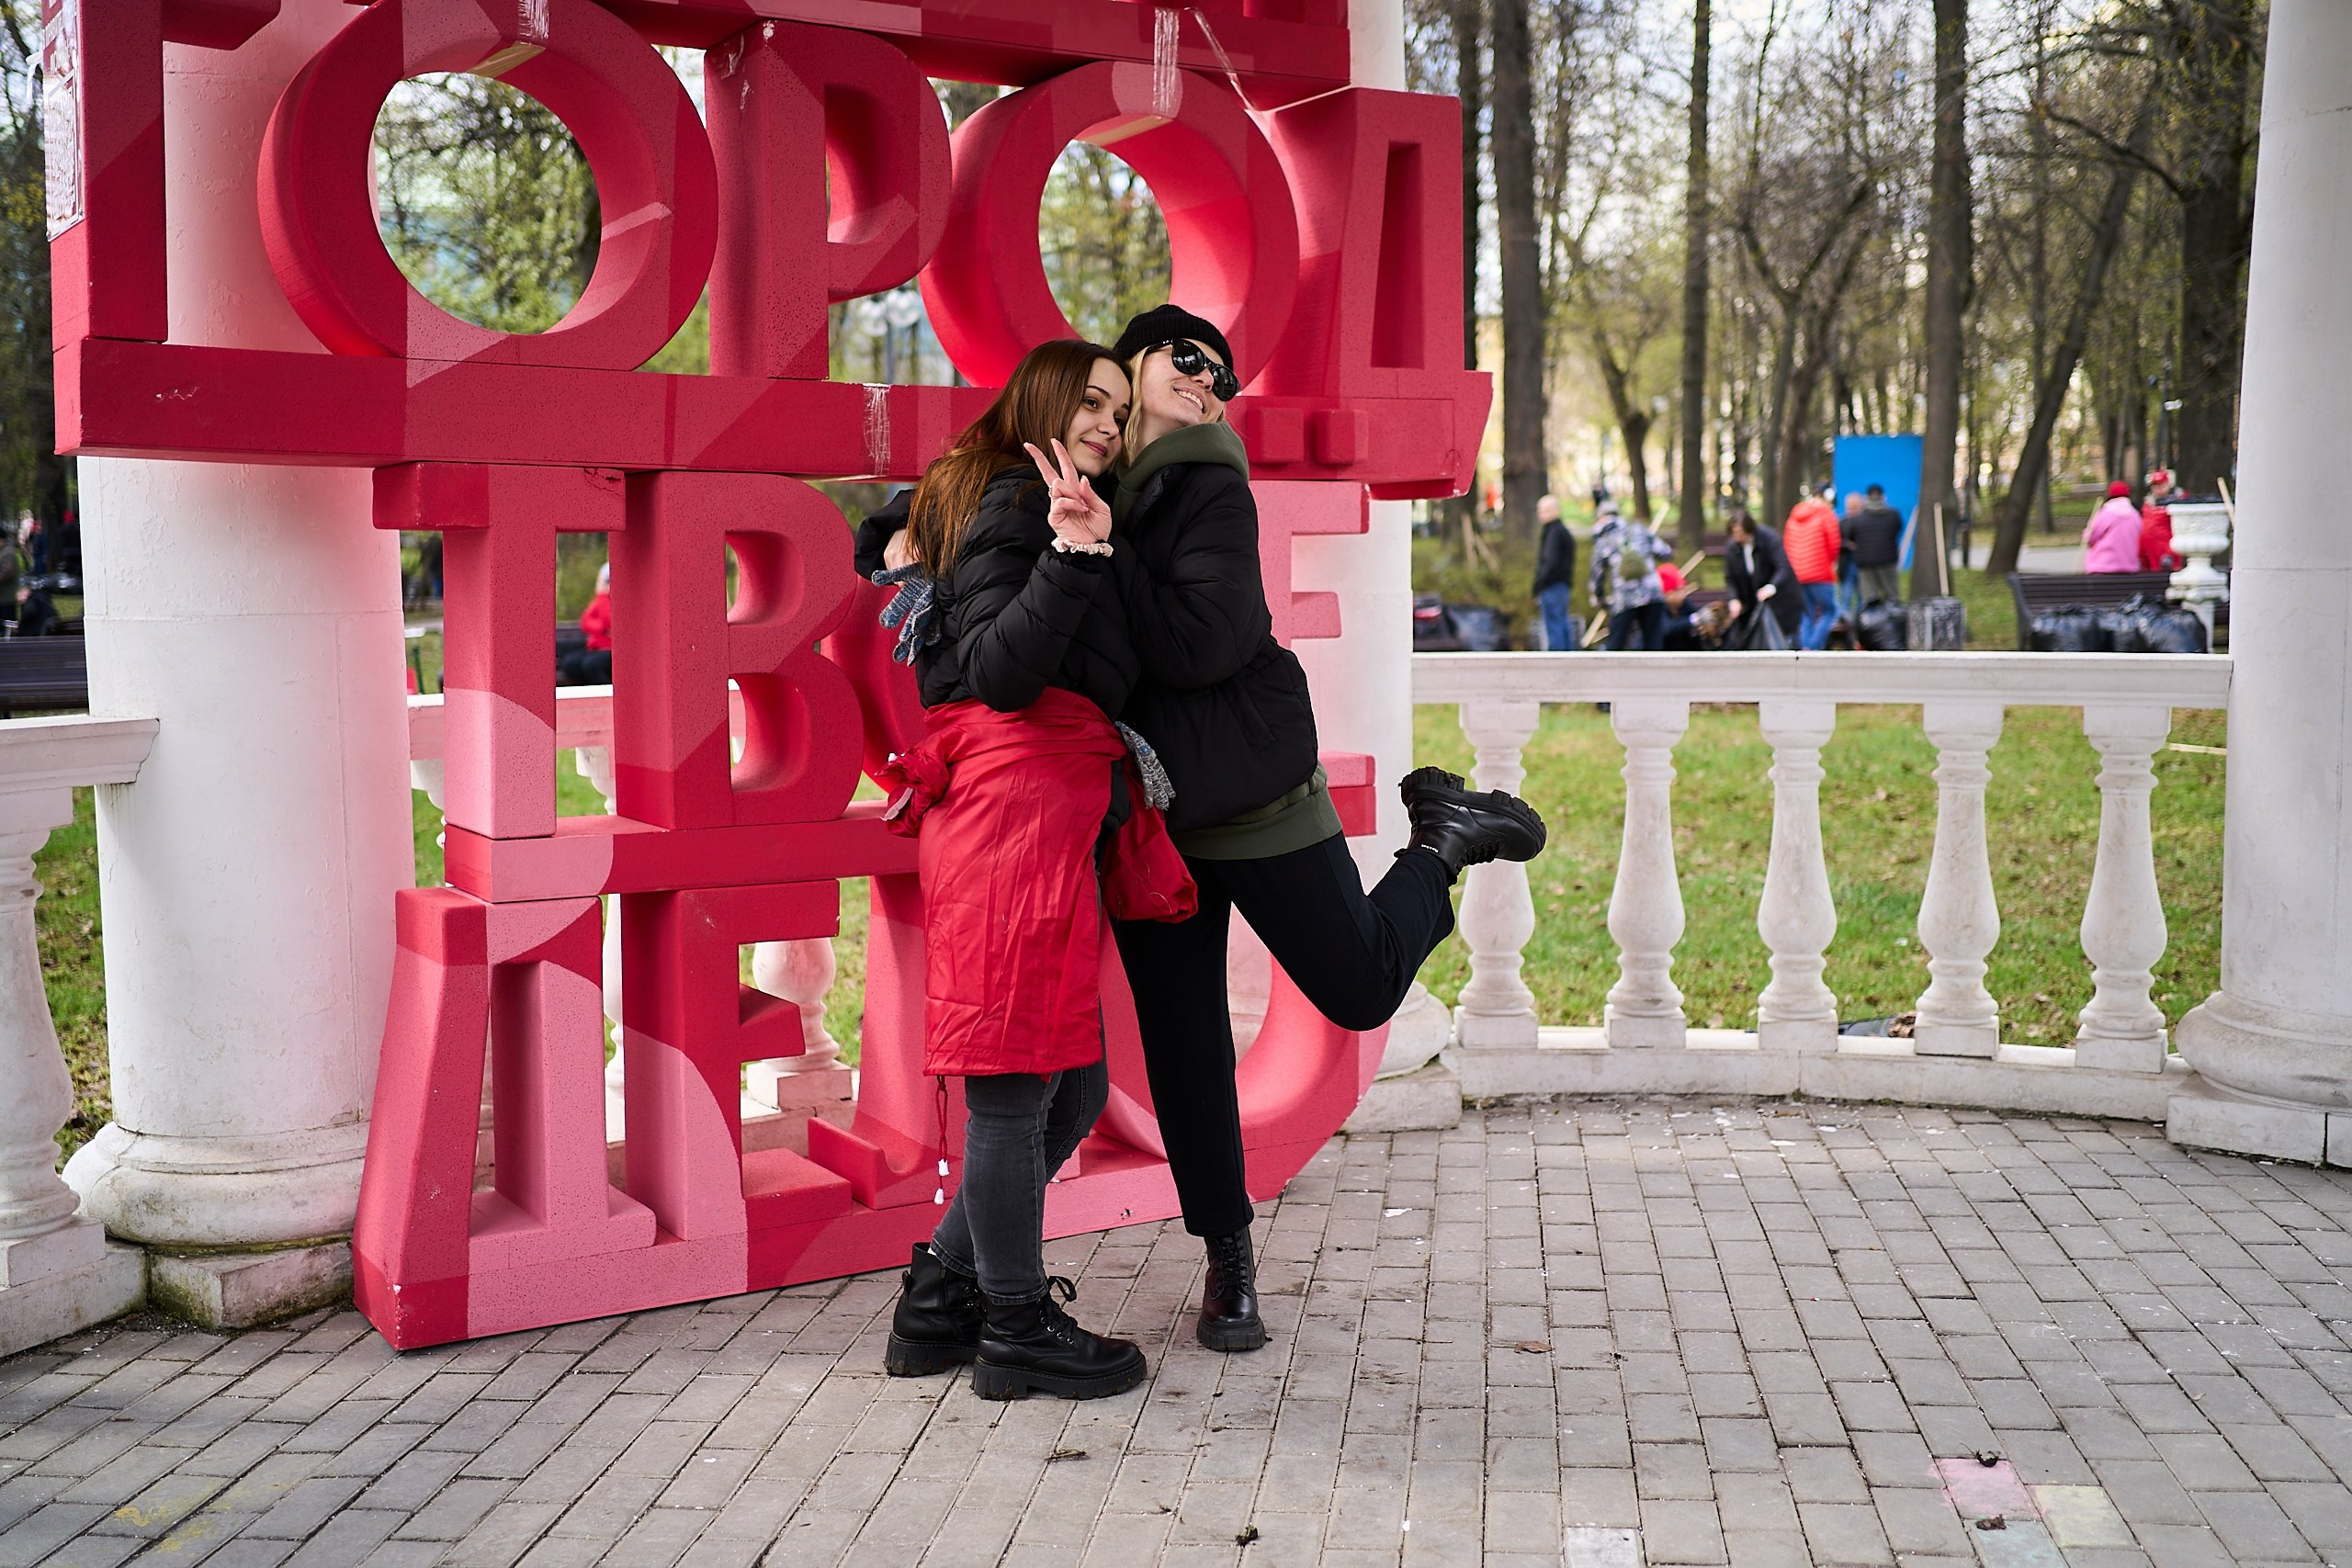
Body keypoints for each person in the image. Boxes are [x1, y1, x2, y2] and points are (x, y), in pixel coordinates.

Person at [1100, 304, 1548, 1352]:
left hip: (1252, 788)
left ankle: (1439, 839)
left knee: (1354, 985)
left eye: (1218, 374)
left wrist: (1094, 549)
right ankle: (1227, 1258)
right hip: (1154, 815)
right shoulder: (1083, 483)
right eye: (1183, 358)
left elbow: (1203, 643)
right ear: (1128, 363)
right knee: (1183, 1049)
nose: (1205, 381)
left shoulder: (1207, 479)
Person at [856, 339, 1195, 1402]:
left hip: (1029, 814)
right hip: (1013, 810)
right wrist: (1071, 556)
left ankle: (940, 1299)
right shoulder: (1018, 496)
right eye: (1088, 403)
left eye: (1117, 411)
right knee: (1012, 1090)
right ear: (1040, 403)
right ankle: (1011, 1332)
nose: (1105, 423)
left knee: (1072, 1081)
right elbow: (1002, 674)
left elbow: (921, 574)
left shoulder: (981, 491)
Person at [1589, 502, 1674, 650]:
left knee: (1615, 645)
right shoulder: (1638, 528)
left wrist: (1601, 600)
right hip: (1653, 593)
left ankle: (1611, 673)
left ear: (1601, 517)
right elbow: (1666, 552)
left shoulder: (1603, 539)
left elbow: (1597, 575)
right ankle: (1653, 673)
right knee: (1653, 646)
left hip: (1624, 599)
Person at [1722, 508, 1801, 645]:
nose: (1737, 537)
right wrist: (1734, 598)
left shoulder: (1769, 538)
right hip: (1751, 606)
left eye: (1740, 532)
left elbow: (1783, 566)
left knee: (1783, 641)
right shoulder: (1733, 548)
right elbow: (1730, 578)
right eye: (1734, 533)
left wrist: (1771, 587)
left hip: (1780, 604)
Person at [1781, 484, 1841, 649]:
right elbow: (1834, 545)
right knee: (1830, 611)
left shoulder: (1795, 514)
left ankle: (1805, 648)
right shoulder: (1826, 514)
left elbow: (1787, 544)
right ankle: (1814, 647)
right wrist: (1830, 563)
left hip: (1798, 574)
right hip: (1820, 572)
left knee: (1806, 613)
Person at [1846, 483, 1905, 605]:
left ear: (1866, 497)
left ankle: (1872, 623)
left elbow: (1850, 535)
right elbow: (1898, 529)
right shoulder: (1893, 515)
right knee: (1892, 595)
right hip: (1888, 561)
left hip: (1865, 563)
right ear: (1883, 497)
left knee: (1870, 598)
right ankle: (1893, 620)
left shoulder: (1858, 518)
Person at [1532, 493, 1577, 650]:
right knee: (1562, 623)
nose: (1540, 514)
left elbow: (1549, 562)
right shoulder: (1562, 531)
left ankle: (1557, 662)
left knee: (1554, 626)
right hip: (1562, 585)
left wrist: (1538, 584)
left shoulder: (1554, 533)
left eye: (1543, 510)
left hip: (1552, 585)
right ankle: (1568, 658)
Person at [560, 562, 613, 685]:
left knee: (592, 664)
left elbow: (609, 621)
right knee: (570, 663)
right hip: (597, 647)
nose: (607, 585)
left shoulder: (606, 599)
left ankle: (608, 695)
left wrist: (603, 596)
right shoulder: (601, 600)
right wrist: (601, 629)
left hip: (611, 649)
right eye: (606, 582)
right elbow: (585, 621)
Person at [2084, 480, 2143, 572]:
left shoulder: (2106, 513)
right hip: (2129, 566)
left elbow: (2091, 536)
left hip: (2102, 566)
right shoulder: (2135, 515)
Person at [2140, 469, 2182, 572]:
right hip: (2148, 551)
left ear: (2168, 484)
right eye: (2154, 485)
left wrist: (2170, 553)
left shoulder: (2177, 503)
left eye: (2161, 484)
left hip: (2166, 550)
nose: (2157, 488)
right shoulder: (2148, 504)